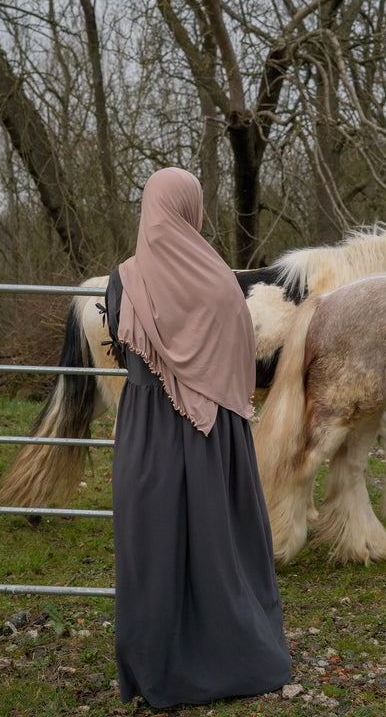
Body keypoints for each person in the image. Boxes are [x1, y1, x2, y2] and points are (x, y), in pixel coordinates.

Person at [103, 167, 291, 708]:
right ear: (191, 209)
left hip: (147, 439)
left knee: (152, 549)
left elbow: (121, 342)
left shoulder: (124, 281)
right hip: (216, 439)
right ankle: (237, 658)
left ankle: (157, 670)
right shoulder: (222, 281)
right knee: (220, 548)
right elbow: (240, 359)